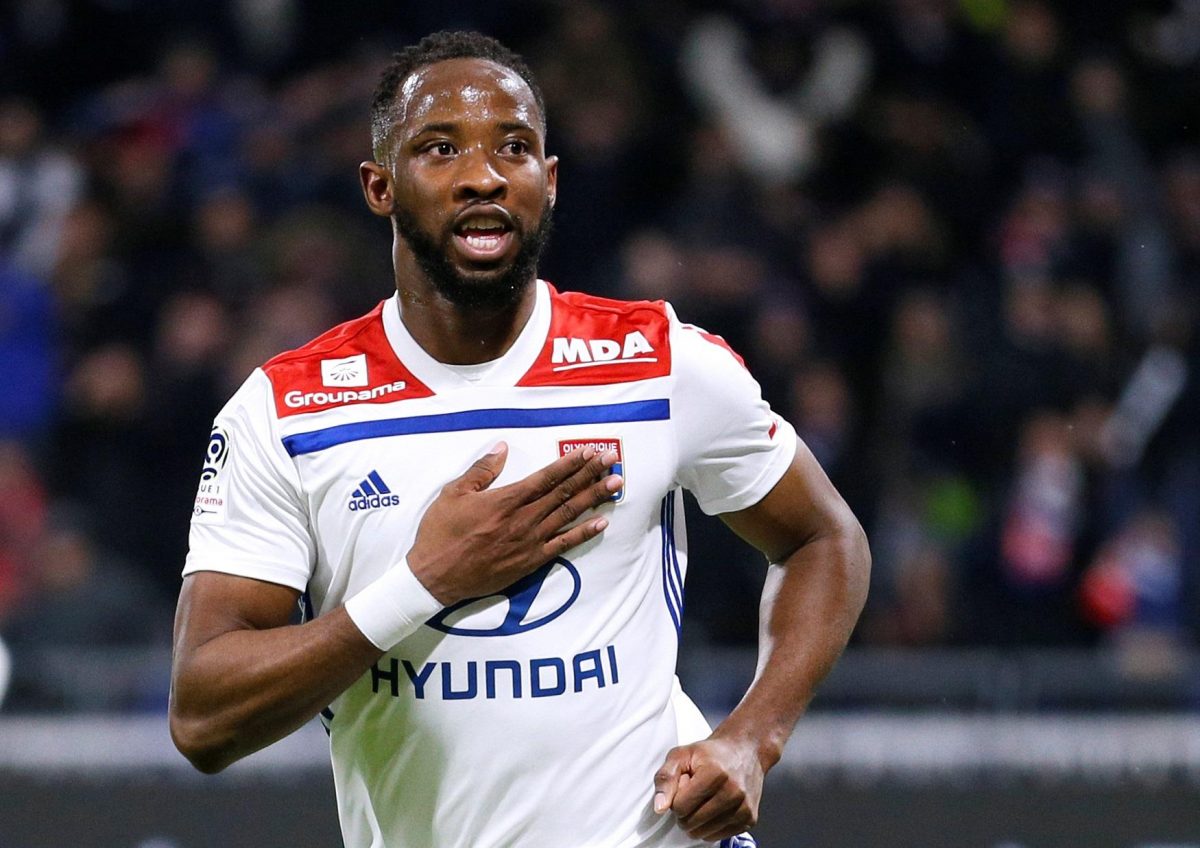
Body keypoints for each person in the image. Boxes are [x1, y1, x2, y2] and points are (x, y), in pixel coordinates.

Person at [168, 31, 870, 848]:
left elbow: (825, 537)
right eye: (440, 148)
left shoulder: (656, 364)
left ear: (550, 180)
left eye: (514, 147)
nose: (484, 175)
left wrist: (753, 738)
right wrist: (427, 581)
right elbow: (203, 716)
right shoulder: (287, 411)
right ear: (380, 187)